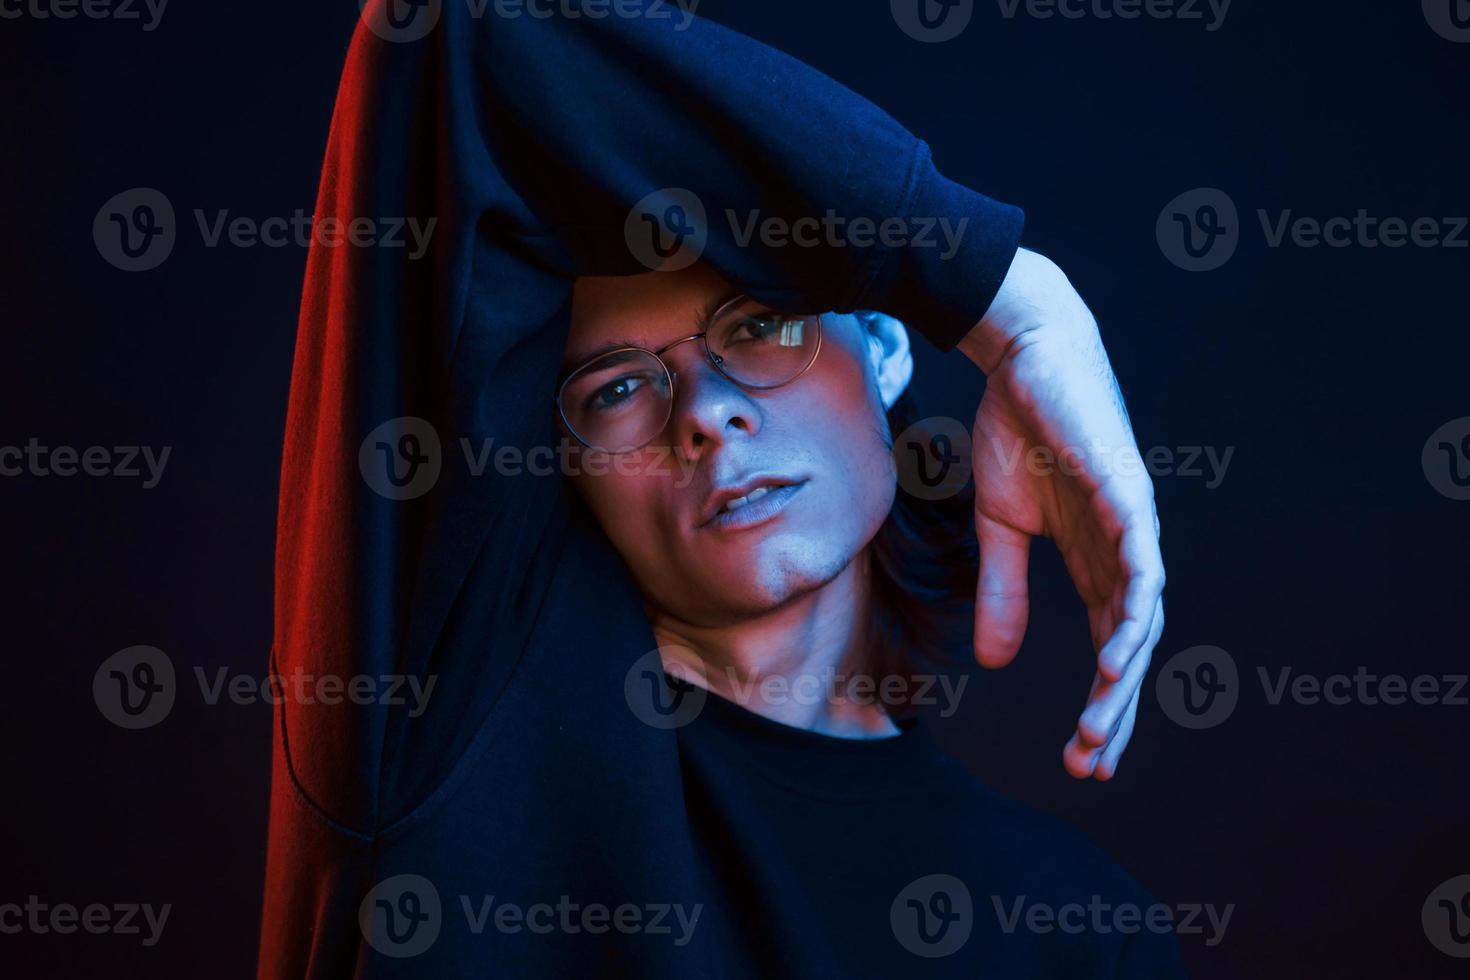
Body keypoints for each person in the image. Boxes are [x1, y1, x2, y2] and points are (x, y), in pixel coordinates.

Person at [259, 1, 1171, 976]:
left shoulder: (1073, 924)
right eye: (614, 386)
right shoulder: (450, 707)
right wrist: (1008, 299)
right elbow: (445, 30)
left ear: (889, 344)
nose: (702, 410)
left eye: (760, 323)